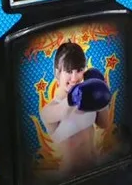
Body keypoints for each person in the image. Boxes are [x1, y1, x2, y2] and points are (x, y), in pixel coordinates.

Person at [40, 42, 112, 174]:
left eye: (79, 70)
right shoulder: (48, 111)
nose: (74, 78)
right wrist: (78, 94)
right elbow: (63, 111)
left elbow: (104, 124)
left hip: (96, 168)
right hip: (70, 176)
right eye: (68, 71)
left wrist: (101, 94)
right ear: (57, 73)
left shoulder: (88, 96)